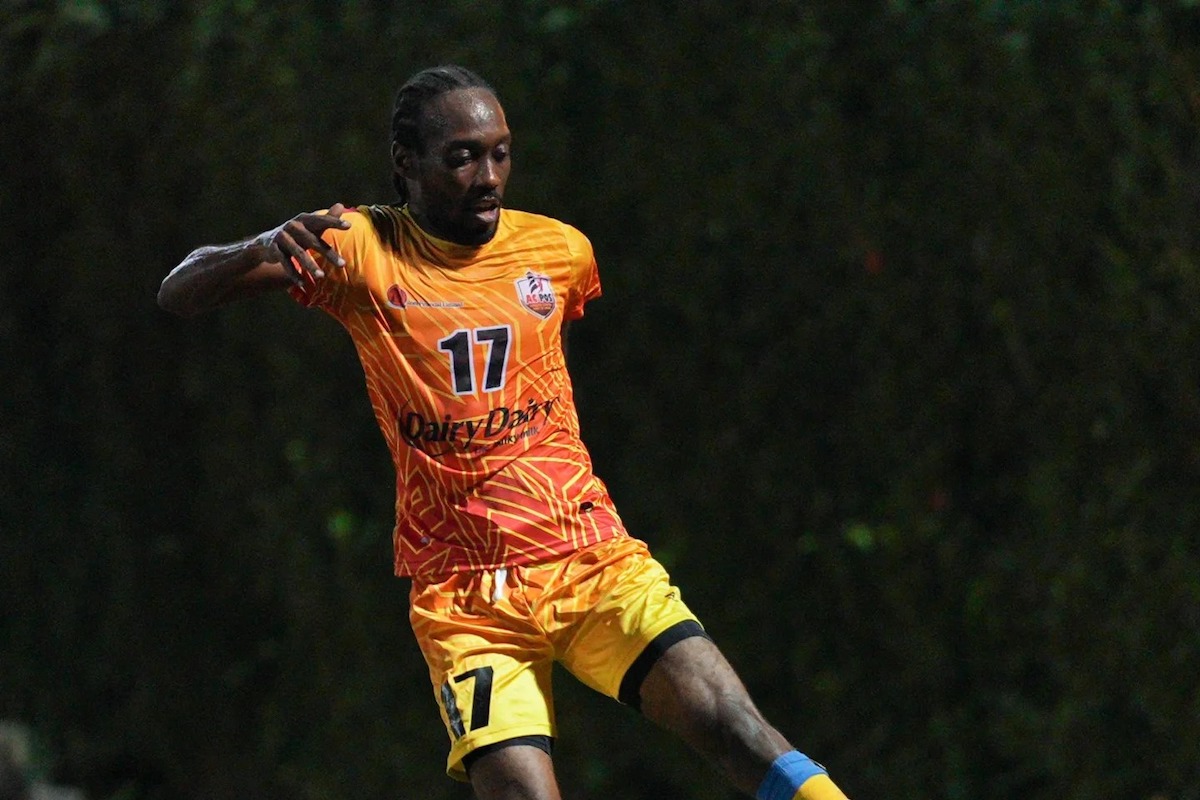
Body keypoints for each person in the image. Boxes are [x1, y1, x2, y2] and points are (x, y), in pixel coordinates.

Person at [158, 64, 852, 800]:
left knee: (738, 730)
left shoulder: (560, 252)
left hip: (589, 559)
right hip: (464, 597)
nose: (488, 175)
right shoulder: (357, 246)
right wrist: (257, 244)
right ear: (406, 165)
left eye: (500, 152)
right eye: (461, 157)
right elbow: (179, 290)